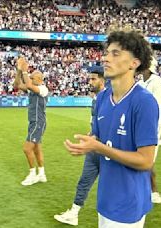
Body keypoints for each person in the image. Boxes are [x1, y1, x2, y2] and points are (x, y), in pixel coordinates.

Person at [64, 27, 159, 228]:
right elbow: (98, 139)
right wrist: (88, 144)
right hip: (106, 199)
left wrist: (98, 148)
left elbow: (145, 161)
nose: (106, 58)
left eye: (115, 54)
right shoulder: (101, 98)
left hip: (128, 205)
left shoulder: (144, 102)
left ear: (135, 63)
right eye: (106, 53)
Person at [54, 66, 105, 226]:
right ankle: (74, 213)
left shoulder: (107, 98)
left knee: (111, 187)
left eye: (93, 79)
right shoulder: (97, 98)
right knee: (84, 181)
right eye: (90, 78)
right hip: (94, 148)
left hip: (105, 150)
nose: (90, 82)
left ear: (103, 80)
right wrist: (89, 136)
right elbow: (96, 123)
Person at [13, 57, 49, 186]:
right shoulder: (33, 88)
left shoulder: (43, 89)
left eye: (33, 78)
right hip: (34, 122)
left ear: (40, 79)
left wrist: (25, 71)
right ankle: (41, 174)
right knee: (37, 149)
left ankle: (32, 174)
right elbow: (17, 85)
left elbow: (27, 84)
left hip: (38, 122)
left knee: (27, 148)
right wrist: (19, 70)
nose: (31, 80)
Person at [138, 58, 161, 204]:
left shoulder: (157, 82)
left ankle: (154, 191)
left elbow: (156, 105)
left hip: (152, 125)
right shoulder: (141, 82)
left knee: (147, 161)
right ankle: (144, 189)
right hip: (140, 124)